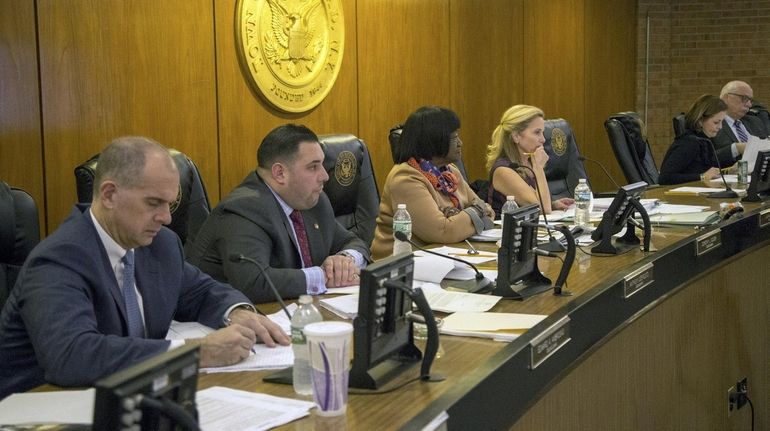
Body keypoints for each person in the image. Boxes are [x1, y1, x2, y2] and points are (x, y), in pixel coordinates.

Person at [0, 137, 289, 399]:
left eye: (170, 203)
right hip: (44, 406)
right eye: (154, 203)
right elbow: (72, 356)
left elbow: (200, 291)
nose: (165, 217)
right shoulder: (59, 260)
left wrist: (236, 312)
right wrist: (195, 353)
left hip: (128, 396)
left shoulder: (160, 244)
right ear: (110, 195)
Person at [185, 124, 369, 304]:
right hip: (227, 318)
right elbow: (254, 282)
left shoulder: (313, 201)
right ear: (280, 173)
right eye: (313, 167)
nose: (325, 176)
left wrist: (345, 260)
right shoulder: (244, 209)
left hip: (298, 310)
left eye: (322, 165)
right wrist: (324, 276)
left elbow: (353, 241)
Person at [370, 106, 494, 260]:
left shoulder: (450, 172)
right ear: (434, 140)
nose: (461, 143)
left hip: (445, 256)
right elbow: (444, 232)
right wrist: (474, 214)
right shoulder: (405, 179)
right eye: (455, 138)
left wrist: (463, 217)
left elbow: (488, 212)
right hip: (401, 266)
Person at [485, 105, 574, 217]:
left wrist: (553, 204)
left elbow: (537, 203)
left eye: (542, 132)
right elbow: (543, 209)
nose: (543, 139)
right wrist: (539, 168)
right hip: (505, 232)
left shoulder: (528, 163)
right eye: (537, 132)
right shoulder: (503, 170)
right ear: (516, 136)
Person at [659, 95, 726, 185]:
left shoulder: (705, 140)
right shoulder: (689, 143)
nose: (720, 127)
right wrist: (701, 177)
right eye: (716, 122)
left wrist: (729, 170)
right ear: (700, 121)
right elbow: (665, 178)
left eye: (722, 122)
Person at [712, 80, 767, 166]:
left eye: (750, 100)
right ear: (726, 98)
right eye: (745, 99)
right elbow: (704, 158)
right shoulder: (711, 124)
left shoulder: (755, 122)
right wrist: (736, 148)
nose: (749, 105)